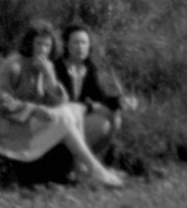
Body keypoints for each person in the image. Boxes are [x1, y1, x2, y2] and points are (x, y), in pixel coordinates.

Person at [0, 19, 126, 187]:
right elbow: (1, 104)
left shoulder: (47, 66)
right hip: (11, 127)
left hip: (33, 123)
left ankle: (83, 169)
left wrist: (49, 77)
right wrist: (33, 110)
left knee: (72, 110)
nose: (42, 50)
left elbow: (61, 102)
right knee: (66, 114)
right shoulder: (14, 65)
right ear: (29, 43)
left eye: (47, 45)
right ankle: (94, 170)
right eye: (38, 44)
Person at [53, 22, 138, 166]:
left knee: (114, 118)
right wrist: (91, 107)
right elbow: (62, 103)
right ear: (66, 44)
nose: (80, 47)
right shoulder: (57, 67)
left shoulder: (89, 68)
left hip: (77, 120)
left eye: (84, 43)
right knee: (101, 123)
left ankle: (82, 162)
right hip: (59, 122)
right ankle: (72, 162)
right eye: (76, 43)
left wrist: (121, 101)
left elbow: (100, 97)